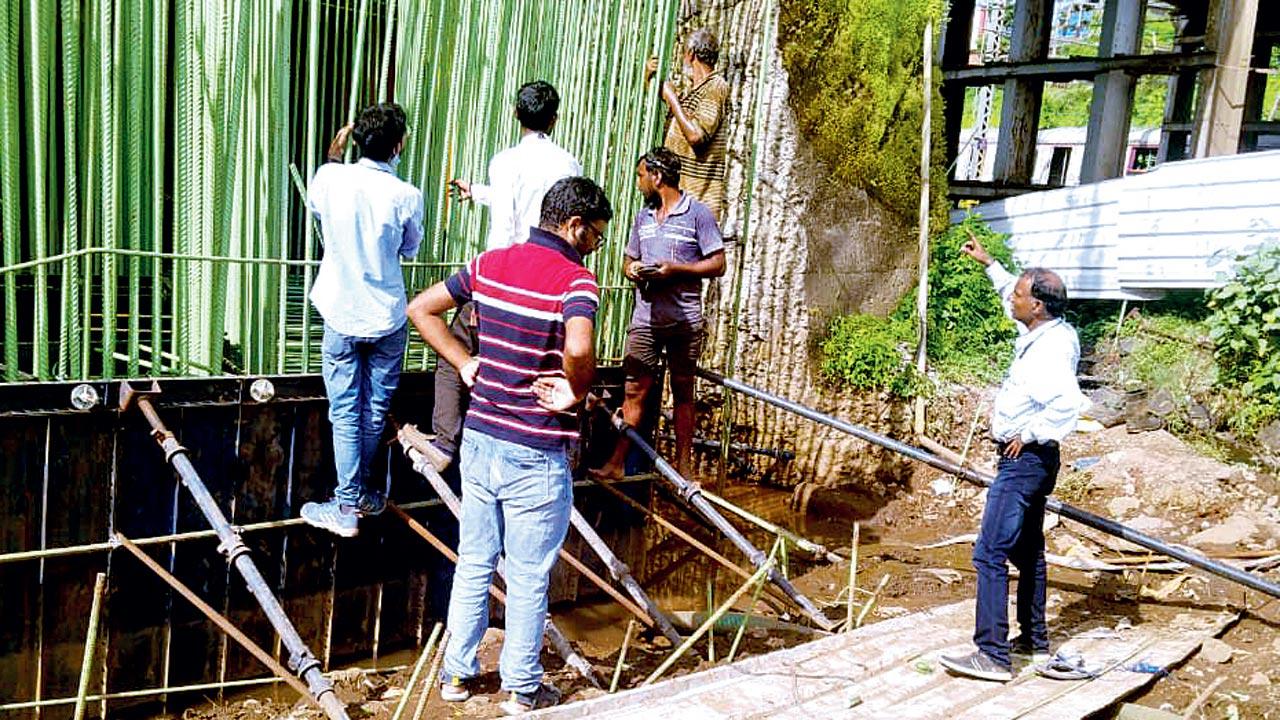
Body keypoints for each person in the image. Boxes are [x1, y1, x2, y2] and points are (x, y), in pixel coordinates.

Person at [406, 177, 612, 714]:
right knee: (526, 573)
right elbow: (581, 344)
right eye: (595, 235)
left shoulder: (488, 264)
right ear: (573, 225)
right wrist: (578, 388)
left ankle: (456, 674)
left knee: (475, 560)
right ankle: (522, 689)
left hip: (481, 440)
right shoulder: (576, 282)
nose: (595, 246)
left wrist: (464, 360)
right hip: (536, 451)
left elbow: (420, 309)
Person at [939, 238, 1088, 682]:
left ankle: (992, 655)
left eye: (1020, 297)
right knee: (1027, 551)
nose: (1013, 300)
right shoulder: (1047, 330)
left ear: (1037, 305)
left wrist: (1030, 433)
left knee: (989, 553)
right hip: (1035, 462)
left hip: (1024, 461)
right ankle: (1033, 639)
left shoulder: (1048, 351)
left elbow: (1068, 404)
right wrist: (991, 265)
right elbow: (1011, 292)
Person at [419, 80, 583, 474]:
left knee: (453, 351)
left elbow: (506, 223)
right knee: (548, 362)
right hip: (550, 277)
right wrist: (477, 192)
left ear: (515, 113)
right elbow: (543, 210)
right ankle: (568, 456)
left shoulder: (504, 161)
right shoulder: (568, 164)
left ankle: (444, 443)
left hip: (505, 273)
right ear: (555, 118)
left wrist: (487, 288)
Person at [300, 103, 422, 539]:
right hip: (387, 313)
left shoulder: (330, 179)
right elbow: (409, 248)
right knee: (373, 408)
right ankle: (361, 494)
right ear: (399, 145)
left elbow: (320, 193)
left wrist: (335, 149)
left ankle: (347, 504)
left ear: (356, 140)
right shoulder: (407, 195)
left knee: (346, 410)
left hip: (341, 309)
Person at [593, 147, 725, 481]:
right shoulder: (643, 217)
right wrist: (633, 269)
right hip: (645, 319)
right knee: (634, 390)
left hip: (684, 321)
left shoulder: (699, 214)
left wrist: (676, 270)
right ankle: (617, 462)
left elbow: (718, 263)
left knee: (683, 391)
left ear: (657, 176)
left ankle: (683, 466)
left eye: (641, 175)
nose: (638, 182)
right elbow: (627, 261)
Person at [645, 28, 730, 221]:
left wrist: (672, 99)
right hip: (679, 203)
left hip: (696, 206)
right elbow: (670, 113)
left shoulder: (715, 87)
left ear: (691, 54)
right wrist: (649, 78)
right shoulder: (693, 92)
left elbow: (696, 136)